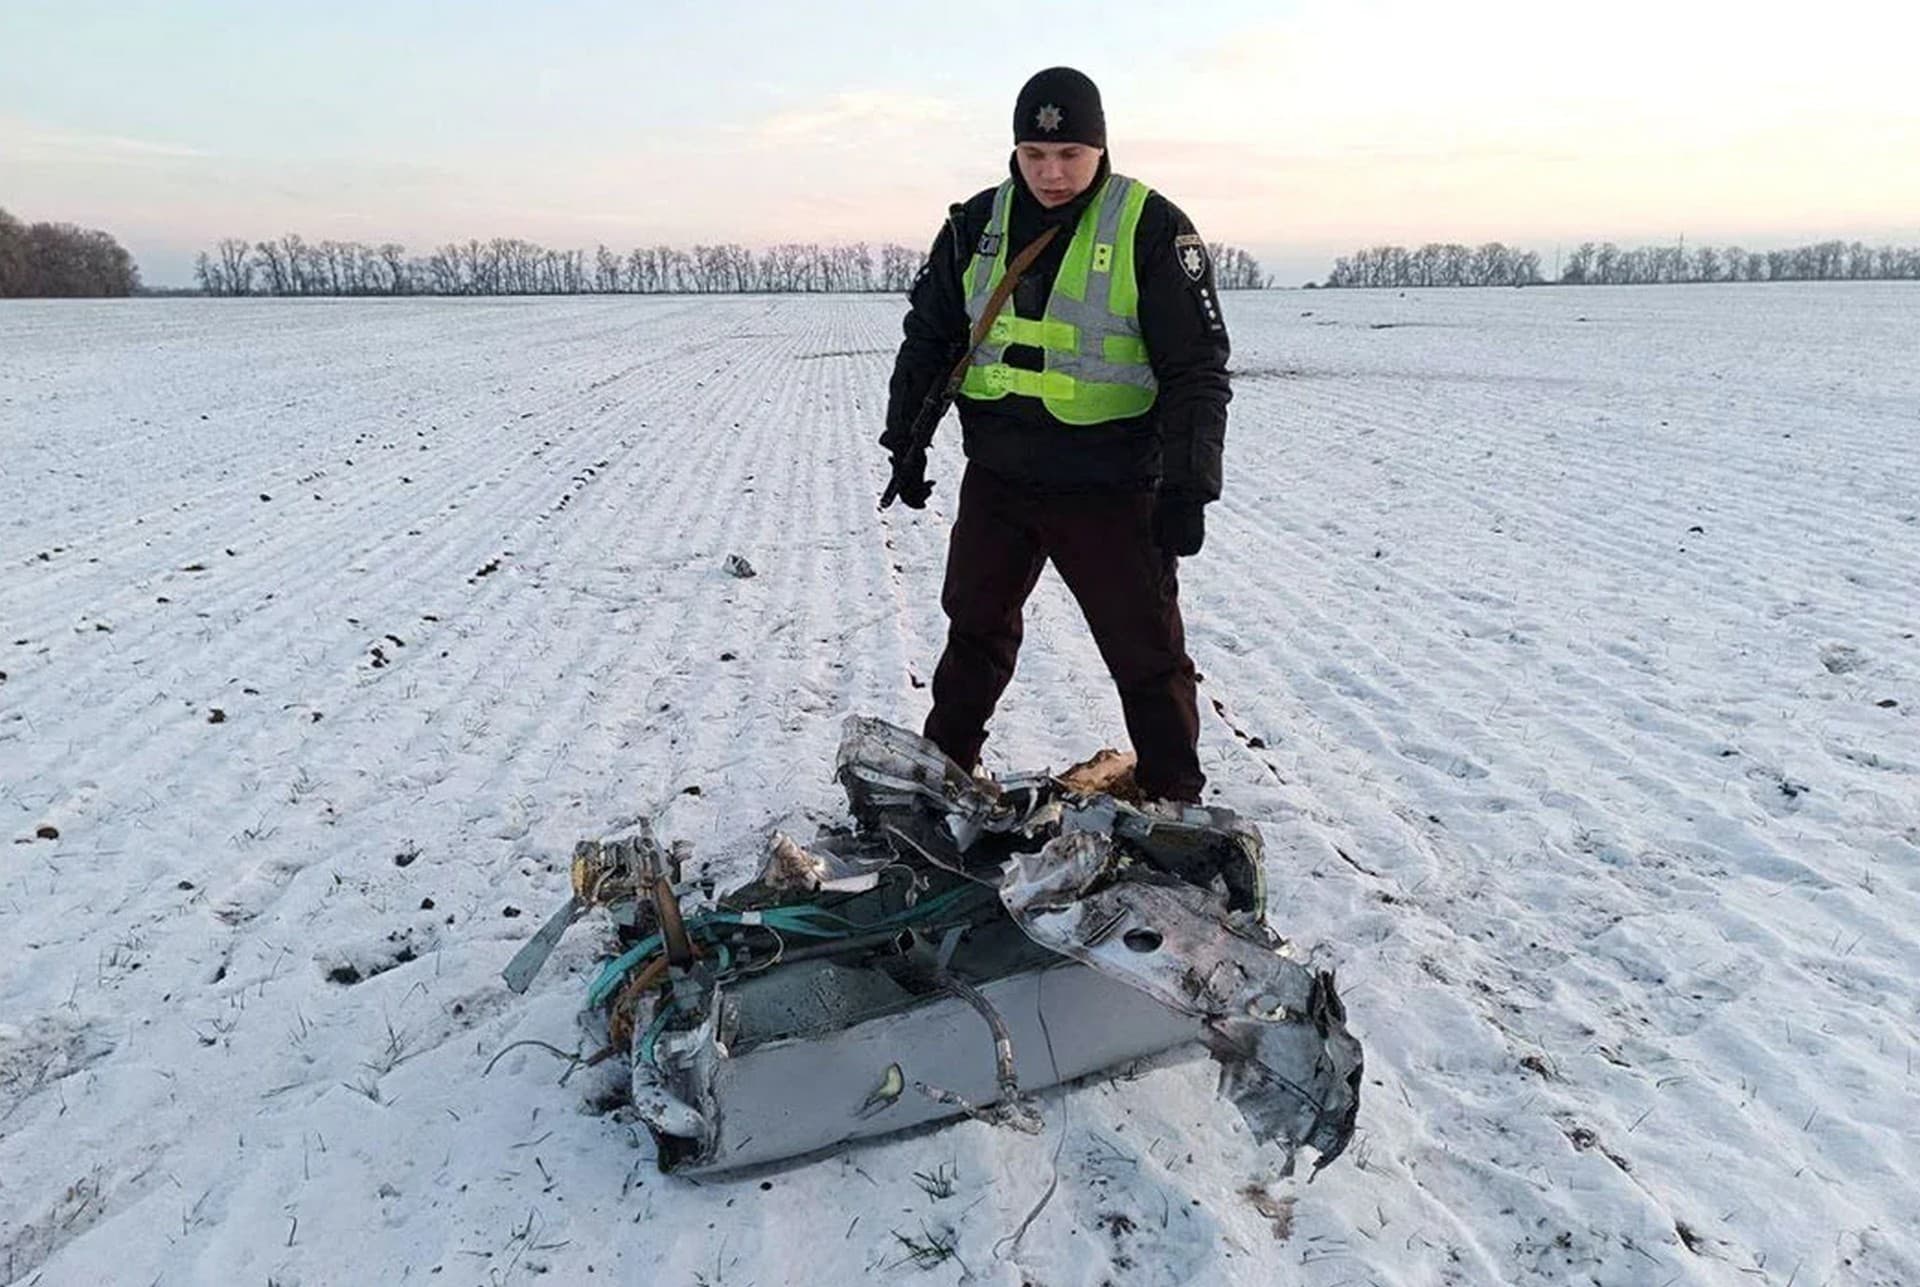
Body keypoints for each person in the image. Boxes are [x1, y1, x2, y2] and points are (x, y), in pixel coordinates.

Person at [882, 66, 1231, 804]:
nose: (1052, 173)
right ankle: (944, 779)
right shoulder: (974, 225)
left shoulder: (1153, 227)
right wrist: (904, 443)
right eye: (1035, 156)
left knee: (1148, 655)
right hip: (1000, 479)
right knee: (973, 631)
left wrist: (1188, 486)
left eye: (1070, 154)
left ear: (1100, 149)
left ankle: (1174, 801)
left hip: (1110, 483)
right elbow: (929, 340)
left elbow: (1197, 369)